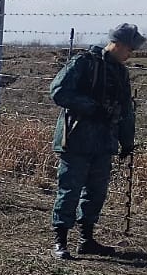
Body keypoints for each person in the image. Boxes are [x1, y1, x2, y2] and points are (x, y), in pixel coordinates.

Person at [48, 22, 141, 259]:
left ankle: (86, 240)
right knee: (69, 190)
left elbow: (125, 110)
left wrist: (127, 141)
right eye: (129, 49)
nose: (130, 54)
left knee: (96, 193)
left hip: (104, 142)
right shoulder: (83, 62)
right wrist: (91, 107)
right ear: (117, 44)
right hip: (76, 139)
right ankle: (60, 241)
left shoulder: (121, 73)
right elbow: (58, 91)